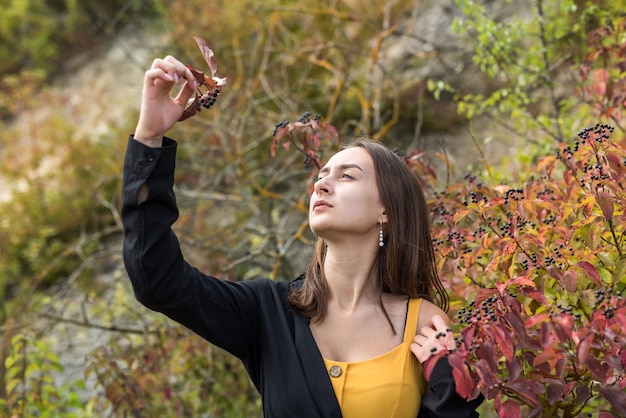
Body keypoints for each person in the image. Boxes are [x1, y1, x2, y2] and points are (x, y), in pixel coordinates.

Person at [122, 55, 483, 417]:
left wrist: (449, 390)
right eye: (322, 174)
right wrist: (149, 137)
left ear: (385, 210)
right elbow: (157, 279)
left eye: (346, 176)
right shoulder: (267, 311)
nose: (321, 183)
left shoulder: (423, 325)